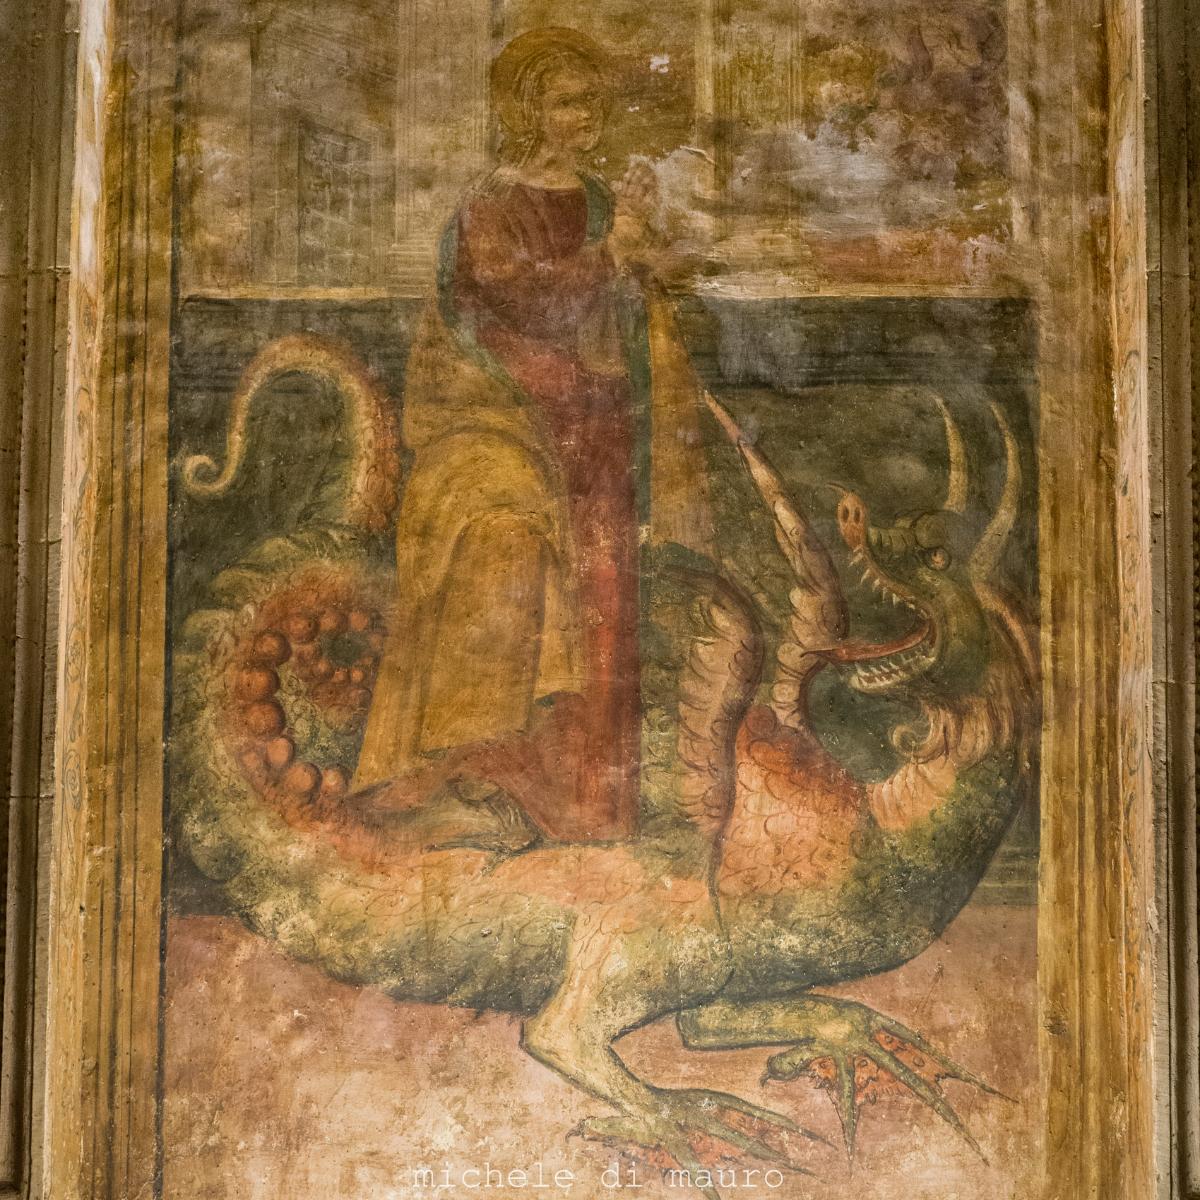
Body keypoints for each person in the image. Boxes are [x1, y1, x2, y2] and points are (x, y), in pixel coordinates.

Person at [353, 27, 714, 841]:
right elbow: (516, 302)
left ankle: (593, 810)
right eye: (565, 103)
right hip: (516, 419)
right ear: (527, 110)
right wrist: (609, 257)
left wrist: (648, 257)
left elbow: (633, 292)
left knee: (606, 599)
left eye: (592, 103)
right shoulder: (491, 204)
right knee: (532, 582)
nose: (583, 118)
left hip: (601, 423)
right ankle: (500, 792)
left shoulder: (600, 199)